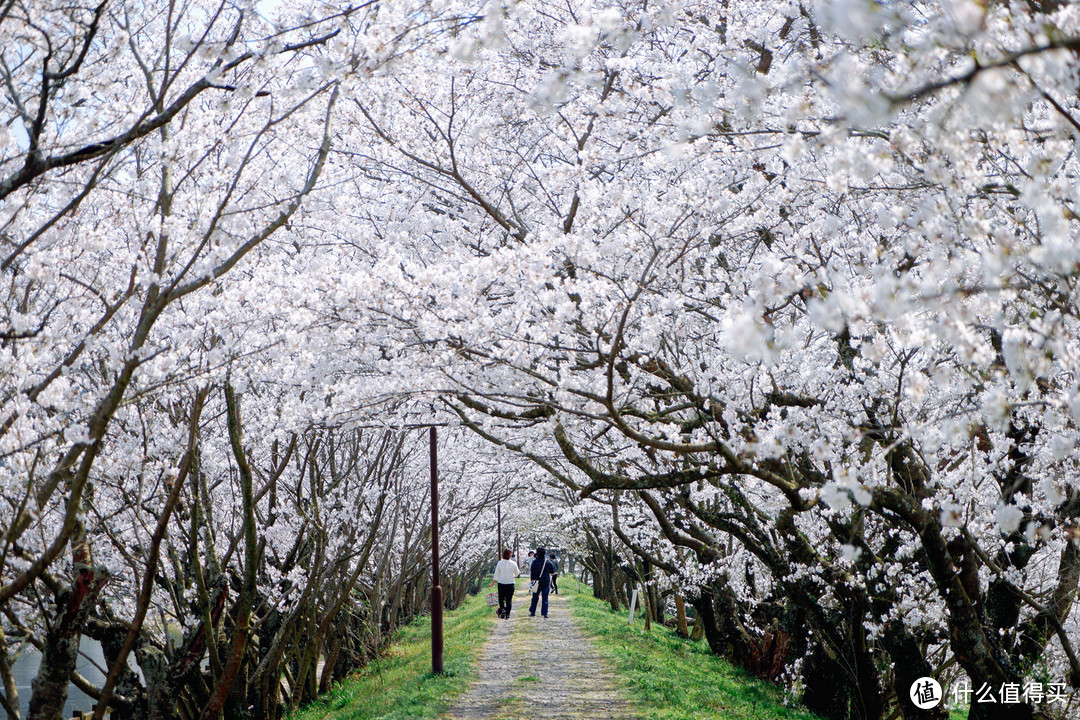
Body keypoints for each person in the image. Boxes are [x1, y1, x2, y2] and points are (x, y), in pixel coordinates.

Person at [528, 546, 557, 618]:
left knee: (535, 597)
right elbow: (552, 571)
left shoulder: (534, 562)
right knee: (545, 598)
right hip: (545, 581)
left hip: (536, 582)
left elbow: (532, 572)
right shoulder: (547, 561)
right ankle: (545, 613)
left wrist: (532, 581)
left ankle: (532, 612)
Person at [490, 549, 520, 619]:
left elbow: (496, 574)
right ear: (510, 555)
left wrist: (493, 582)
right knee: (509, 600)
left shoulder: (500, 563)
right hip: (510, 583)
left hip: (501, 583)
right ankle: (508, 614)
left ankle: (502, 609)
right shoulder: (513, 563)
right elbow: (517, 573)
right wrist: (513, 575)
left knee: (501, 599)